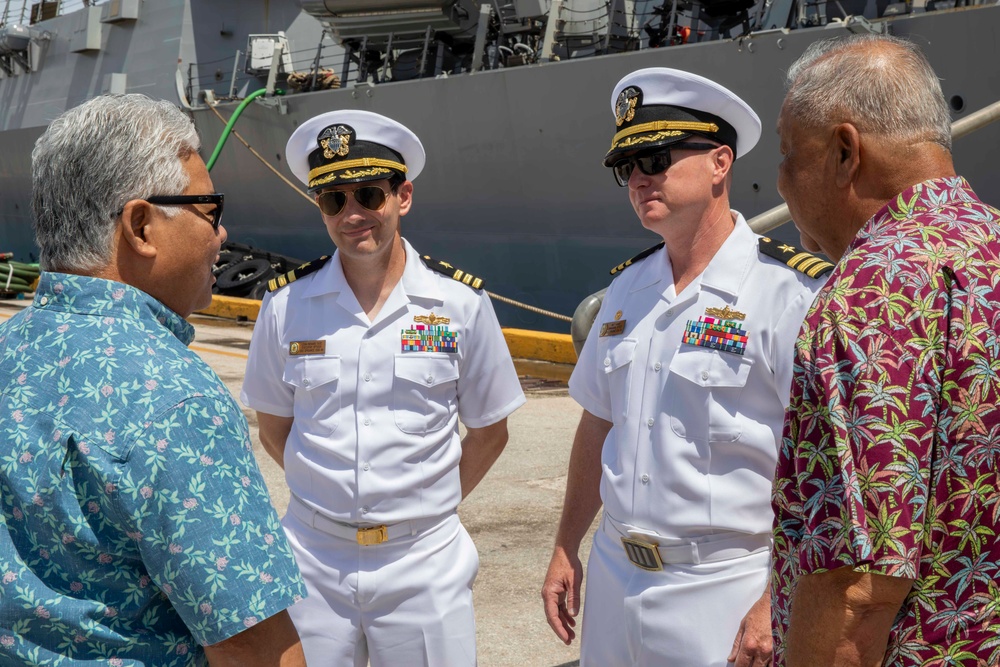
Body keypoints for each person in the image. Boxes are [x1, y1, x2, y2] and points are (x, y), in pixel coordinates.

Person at [0, 94, 306, 665]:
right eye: (209, 211)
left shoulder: (8, 352)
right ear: (141, 225)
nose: (221, 236)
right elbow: (252, 646)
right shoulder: (173, 397)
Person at [541, 67, 832, 666]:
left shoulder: (787, 295)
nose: (640, 177)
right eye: (628, 166)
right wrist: (567, 545)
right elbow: (598, 422)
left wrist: (776, 597)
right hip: (617, 573)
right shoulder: (624, 292)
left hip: (725, 586)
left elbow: (823, 463)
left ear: (720, 162)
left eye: (656, 156)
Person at [240, 109, 526, 666]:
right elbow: (274, 427)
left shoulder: (460, 303)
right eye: (333, 200)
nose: (353, 215)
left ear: (403, 197)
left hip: (424, 561)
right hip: (313, 558)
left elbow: (491, 431)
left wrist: (423, 505)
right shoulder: (285, 306)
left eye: (369, 195)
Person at [771, 34, 1000, 666]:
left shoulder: (868, 296)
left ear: (845, 151)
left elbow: (859, 591)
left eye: (790, 154)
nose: (782, 181)